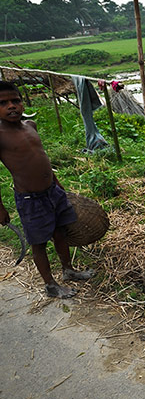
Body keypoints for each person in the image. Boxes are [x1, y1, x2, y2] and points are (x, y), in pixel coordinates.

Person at [0, 81, 92, 298]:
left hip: (52, 192)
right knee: (39, 242)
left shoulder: (30, 126)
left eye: (15, 100)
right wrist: (0, 207)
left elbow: (42, 158)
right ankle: (50, 285)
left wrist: (56, 182)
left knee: (60, 232)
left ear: (22, 103)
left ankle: (68, 270)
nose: (11, 106)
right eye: (3, 103)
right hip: (30, 199)